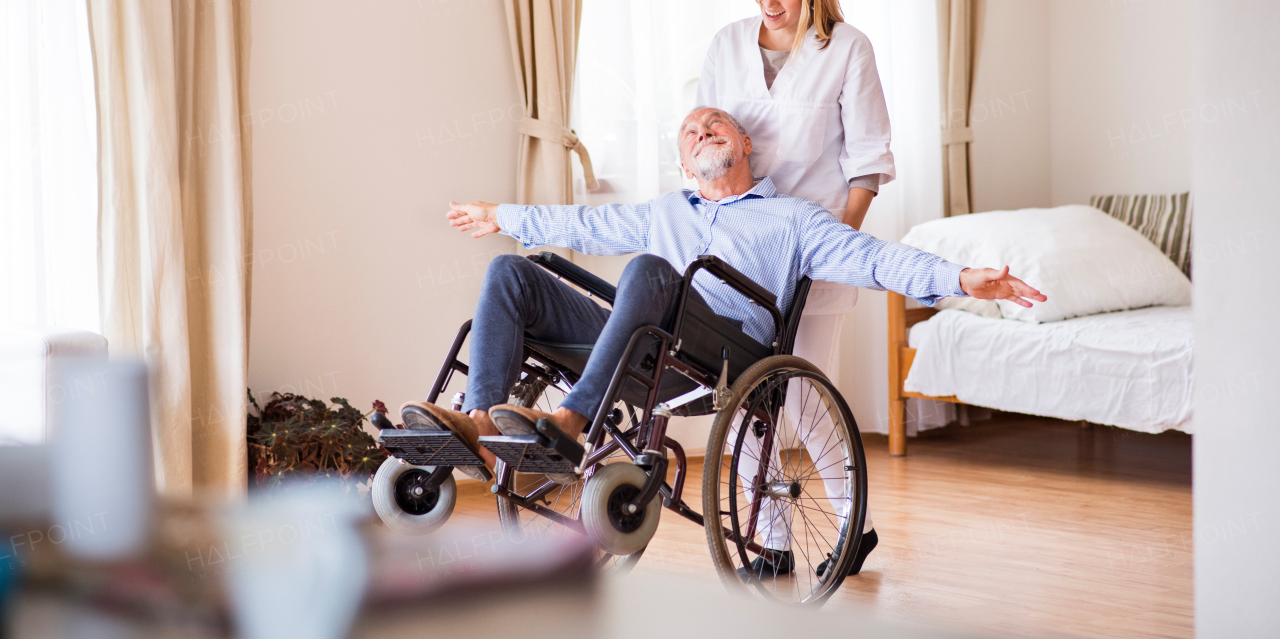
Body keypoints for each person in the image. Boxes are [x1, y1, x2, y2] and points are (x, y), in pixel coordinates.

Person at [402, 107, 1044, 575]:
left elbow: (872, 258)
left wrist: (961, 279)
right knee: (512, 271)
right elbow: (582, 222)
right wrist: (500, 218)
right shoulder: (664, 210)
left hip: (717, 353)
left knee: (650, 271)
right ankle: (485, 426)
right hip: (641, 338)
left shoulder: (792, 217)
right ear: (683, 163)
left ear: (745, 147)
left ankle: (570, 421)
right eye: (690, 130)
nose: (703, 130)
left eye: (716, 125)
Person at [697, 0, 895, 570]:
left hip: (813, 247)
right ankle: (773, 543)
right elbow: (703, 137)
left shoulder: (848, 49)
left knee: (807, 399)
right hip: (741, 244)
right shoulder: (727, 44)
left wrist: (837, 244)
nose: (770, 3)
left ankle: (852, 525)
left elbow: (866, 165)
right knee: (747, 405)